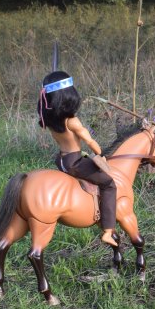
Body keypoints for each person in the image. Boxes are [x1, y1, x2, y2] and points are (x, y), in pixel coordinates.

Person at [37, 71, 119, 247]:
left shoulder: (50, 120)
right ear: (69, 96)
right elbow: (90, 141)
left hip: (61, 159)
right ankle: (108, 230)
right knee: (109, 183)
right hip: (74, 161)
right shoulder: (71, 121)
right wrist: (102, 153)